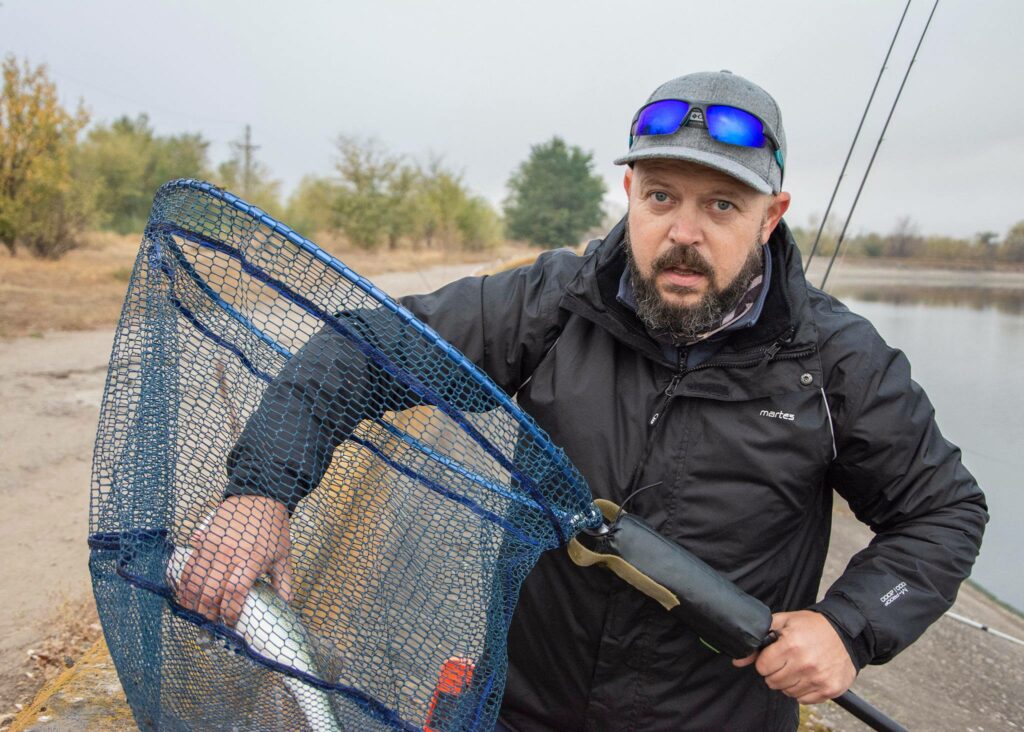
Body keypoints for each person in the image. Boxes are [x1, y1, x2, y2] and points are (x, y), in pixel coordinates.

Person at [177, 70, 988, 730]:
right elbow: (361, 351)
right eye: (663, 196)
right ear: (630, 192)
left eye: (722, 206)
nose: (685, 233)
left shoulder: (836, 361)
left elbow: (943, 511)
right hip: (521, 709)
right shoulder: (554, 303)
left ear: (771, 217)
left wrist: (848, 625)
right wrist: (261, 490)